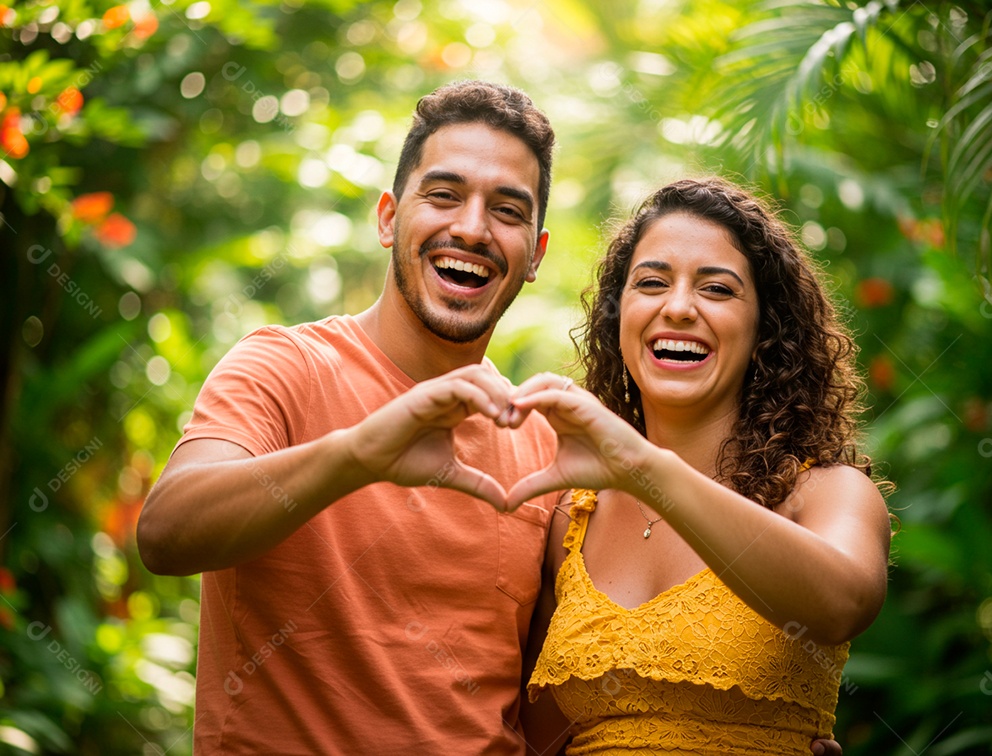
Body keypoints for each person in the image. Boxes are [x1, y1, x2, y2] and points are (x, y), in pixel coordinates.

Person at [137, 80, 560, 753]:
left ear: (534, 254)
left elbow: (544, 707)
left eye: (507, 210)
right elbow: (165, 533)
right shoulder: (284, 366)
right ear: (389, 218)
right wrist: (359, 453)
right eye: (443, 195)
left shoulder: (543, 445)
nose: (472, 228)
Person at [505, 177, 893, 755]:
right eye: (651, 283)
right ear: (618, 315)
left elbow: (842, 605)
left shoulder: (825, 492)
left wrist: (644, 467)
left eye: (716, 289)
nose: (679, 308)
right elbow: (536, 742)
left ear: (765, 327)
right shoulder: (573, 518)